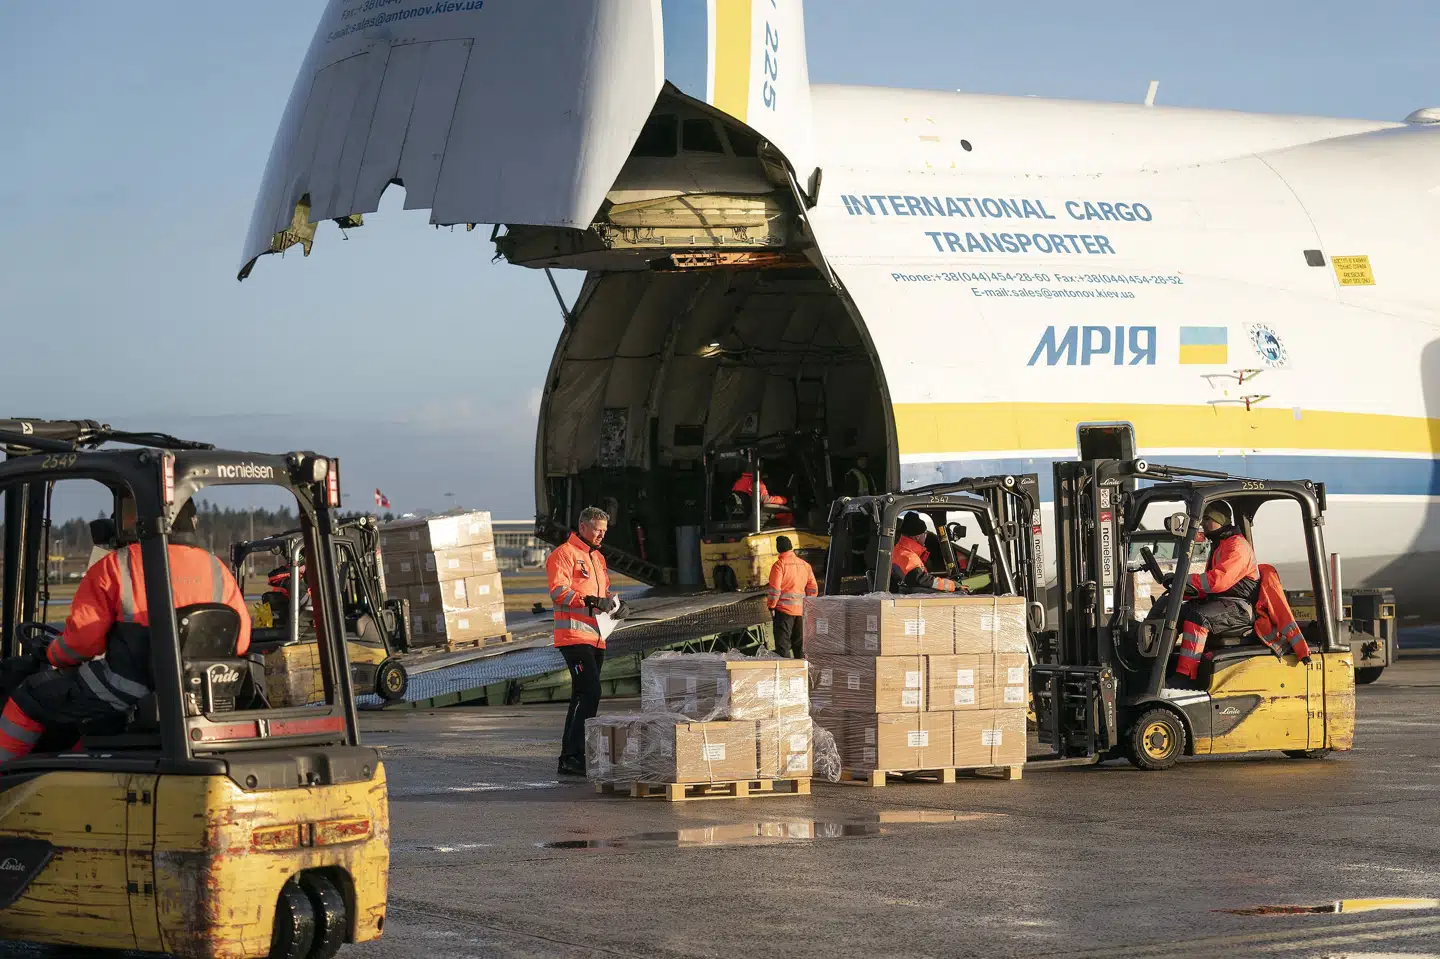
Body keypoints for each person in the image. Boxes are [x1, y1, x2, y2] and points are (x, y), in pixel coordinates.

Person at [0, 497, 250, 765]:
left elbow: (83, 643)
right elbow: (241, 640)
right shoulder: (216, 568)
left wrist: (52, 653)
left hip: (126, 690)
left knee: (31, 695)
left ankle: (4, 773)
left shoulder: (116, 565)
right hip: (202, 695)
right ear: (191, 520)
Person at [547, 506, 625, 776]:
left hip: (595, 637)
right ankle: (572, 756)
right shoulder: (564, 554)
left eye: (604, 530)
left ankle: (571, 757)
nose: (602, 534)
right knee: (590, 692)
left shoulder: (598, 558)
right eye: (597, 529)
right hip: (573, 636)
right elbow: (558, 591)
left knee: (583, 695)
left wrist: (616, 605)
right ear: (582, 527)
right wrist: (590, 600)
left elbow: (604, 593)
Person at [1165, 502, 1259, 681]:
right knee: (1177, 610)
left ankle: (1185, 676)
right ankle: (1161, 666)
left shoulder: (1236, 546)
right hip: (1224, 601)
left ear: (1221, 520)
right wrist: (1183, 590)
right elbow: (1209, 586)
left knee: (1198, 617)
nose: (1203, 524)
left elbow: (1217, 581)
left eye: (1208, 519)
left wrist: (1183, 580)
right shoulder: (1221, 544)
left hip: (1239, 607)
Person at [765, 536, 817, 658]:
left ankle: (786, 670)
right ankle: (802, 669)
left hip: (784, 612)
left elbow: (775, 590)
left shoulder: (779, 565)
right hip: (801, 612)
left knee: (783, 647)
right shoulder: (805, 565)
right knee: (800, 647)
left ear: (778, 549)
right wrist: (808, 605)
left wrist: (771, 606)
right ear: (790, 547)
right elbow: (813, 588)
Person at [890, 512, 962, 593]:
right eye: (925, 533)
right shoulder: (908, 556)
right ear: (917, 537)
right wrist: (952, 585)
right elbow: (923, 580)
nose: (926, 536)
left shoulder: (899, 550)